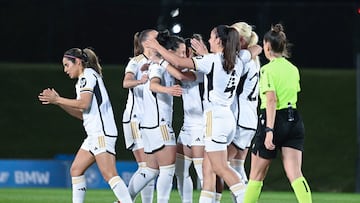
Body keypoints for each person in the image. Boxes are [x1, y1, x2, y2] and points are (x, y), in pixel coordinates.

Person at [144, 25, 262, 203]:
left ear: (219, 41)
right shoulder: (238, 58)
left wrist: (158, 50)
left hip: (215, 118)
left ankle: (245, 198)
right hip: (228, 118)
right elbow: (256, 48)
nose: (208, 40)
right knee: (208, 171)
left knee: (221, 168)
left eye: (211, 37)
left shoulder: (213, 60)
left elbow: (180, 63)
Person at [38, 48, 132, 203]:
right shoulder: (83, 80)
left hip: (101, 133)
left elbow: (84, 103)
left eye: (67, 65)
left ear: (78, 62)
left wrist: (58, 100)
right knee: (76, 169)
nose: (65, 69)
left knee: (109, 174)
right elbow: (82, 113)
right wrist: (59, 102)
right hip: (94, 134)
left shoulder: (87, 76)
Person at [243, 24, 312, 203]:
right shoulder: (293, 69)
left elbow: (272, 100)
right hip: (294, 120)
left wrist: (269, 130)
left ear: (266, 46)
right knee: (296, 174)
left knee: (256, 175)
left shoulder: (267, 70)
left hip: (273, 120)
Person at [128, 31, 192, 203]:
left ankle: (124, 199)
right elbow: (154, 85)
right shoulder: (158, 66)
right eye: (181, 52)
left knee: (150, 170)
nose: (183, 56)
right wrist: (169, 90)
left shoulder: (158, 64)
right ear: (170, 51)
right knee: (167, 170)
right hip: (160, 125)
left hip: (148, 126)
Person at [214, 21, 261, 203]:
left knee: (218, 165)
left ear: (240, 39)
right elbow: (256, 48)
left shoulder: (241, 59)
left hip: (240, 120)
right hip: (248, 120)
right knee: (237, 165)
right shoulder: (251, 59)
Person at [123, 29, 157, 203]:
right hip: (135, 119)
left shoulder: (158, 61)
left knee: (150, 168)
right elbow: (126, 82)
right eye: (155, 37)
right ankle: (124, 200)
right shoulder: (135, 62)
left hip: (149, 122)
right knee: (147, 166)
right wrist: (139, 81)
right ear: (145, 43)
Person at [174, 34, 206, 203]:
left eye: (186, 52)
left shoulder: (202, 68)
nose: (183, 55)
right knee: (180, 172)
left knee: (202, 172)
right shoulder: (182, 70)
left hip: (201, 126)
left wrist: (162, 61)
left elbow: (182, 76)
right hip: (187, 126)